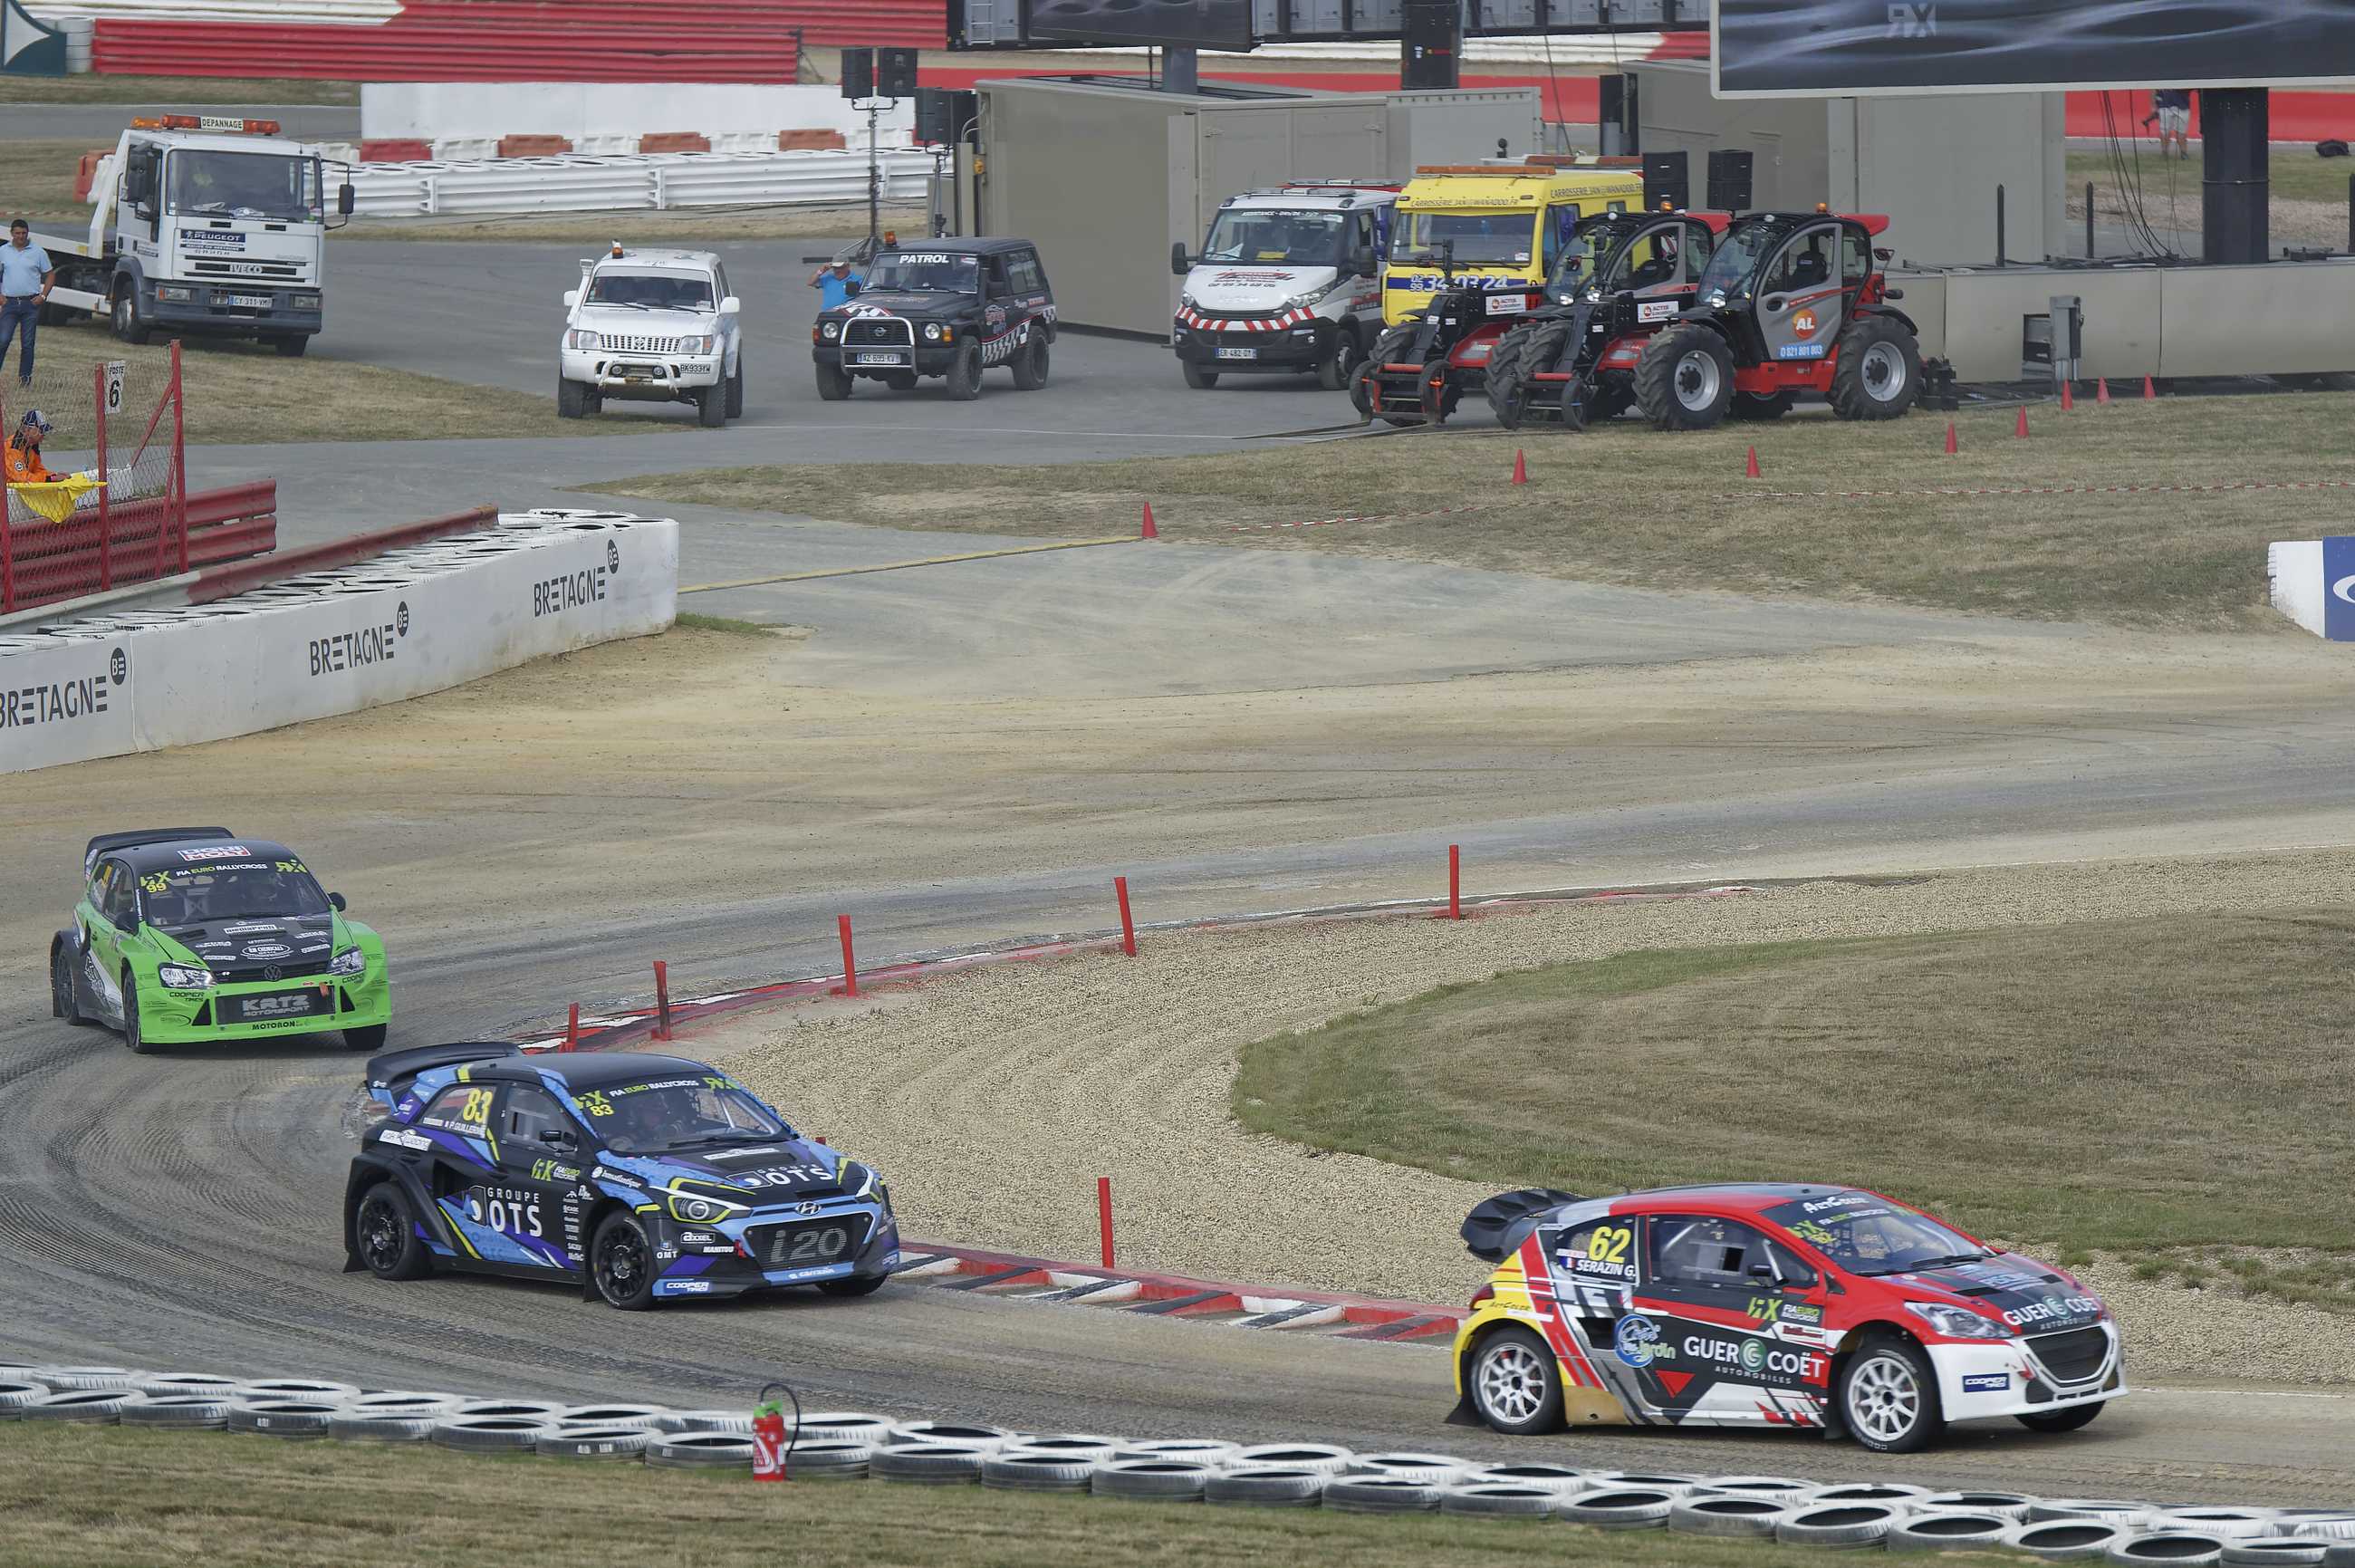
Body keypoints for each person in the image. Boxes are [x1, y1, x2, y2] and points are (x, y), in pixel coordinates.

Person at [1, 218, 56, 390]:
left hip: (30, 304)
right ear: (11, 234)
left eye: (24, 233)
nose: (21, 236)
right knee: (3, 340)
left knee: (27, 343)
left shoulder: (38, 252)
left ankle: (25, 380)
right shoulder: (3, 251)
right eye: (17, 233)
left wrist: (43, 296)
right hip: (9, 304)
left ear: (28, 233)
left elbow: (50, 275)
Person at [5, 409, 53, 486]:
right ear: (28, 430)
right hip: (7, 492)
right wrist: (49, 479)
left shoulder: (32, 445)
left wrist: (53, 476)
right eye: (41, 431)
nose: (43, 435)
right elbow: (21, 478)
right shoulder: (13, 447)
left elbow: (38, 469)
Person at [2152, 89, 2192, 160]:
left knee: (2181, 132)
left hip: (2183, 105)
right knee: (2164, 131)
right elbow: (2154, 88)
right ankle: (2164, 152)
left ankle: (2183, 153)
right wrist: (2154, 105)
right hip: (2165, 105)